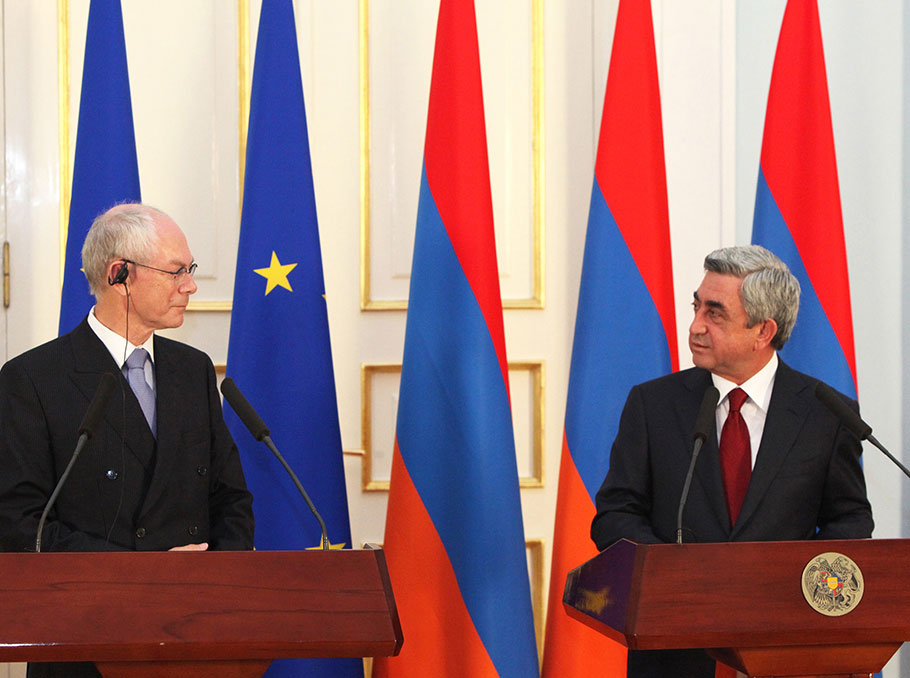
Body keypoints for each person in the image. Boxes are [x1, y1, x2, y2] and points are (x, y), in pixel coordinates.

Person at [591, 245, 873, 678]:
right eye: (697, 306)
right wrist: (678, 579)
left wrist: (797, 592)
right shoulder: (653, 404)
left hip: (789, 652)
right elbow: (614, 514)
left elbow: (850, 523)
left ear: (763, 331)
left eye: (715, 313)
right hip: (677, 652)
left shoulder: (827, 413)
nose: (695, 326)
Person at [0, 203, 254, 677]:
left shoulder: (192, 369)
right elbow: (20, 526)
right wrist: (146, 576)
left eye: (191, 270)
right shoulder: (32, 380)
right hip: (85, 644)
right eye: (177, 271)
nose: (191, 286)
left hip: (195, 640)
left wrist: (218, 585)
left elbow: (230, 497)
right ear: (121, 275)